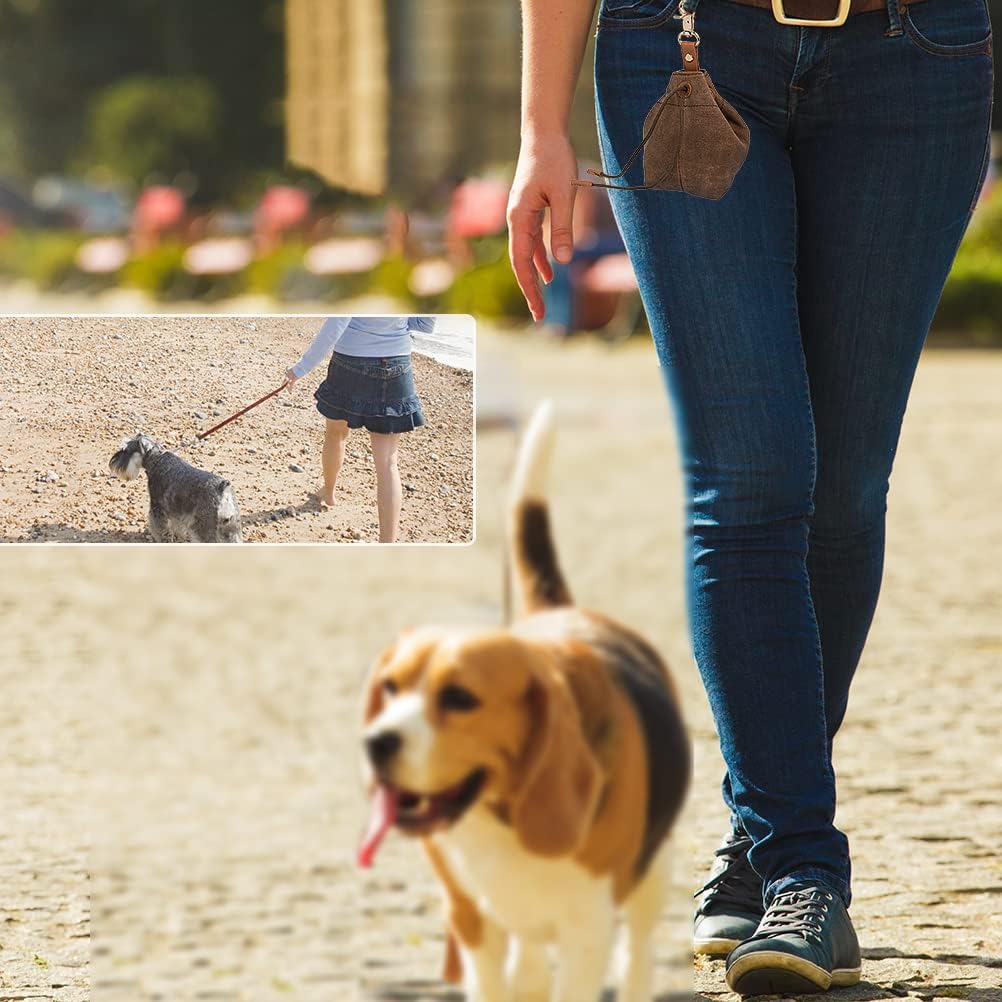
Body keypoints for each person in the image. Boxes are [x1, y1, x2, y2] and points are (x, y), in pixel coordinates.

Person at [506, 0, 993, 994]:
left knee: (846, 491)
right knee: (753, 477)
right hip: (683, 47)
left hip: (919, 54)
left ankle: (758, 837)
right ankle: (805, 871)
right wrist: (538, 127)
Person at [284, 315, 435, 544]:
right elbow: (427, 324)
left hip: (351, 362)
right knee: (387, 464)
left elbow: (337, 323)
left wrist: (300, 369)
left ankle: (329, 492)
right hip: (397, 362)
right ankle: (388, 545)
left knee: (336, 433)